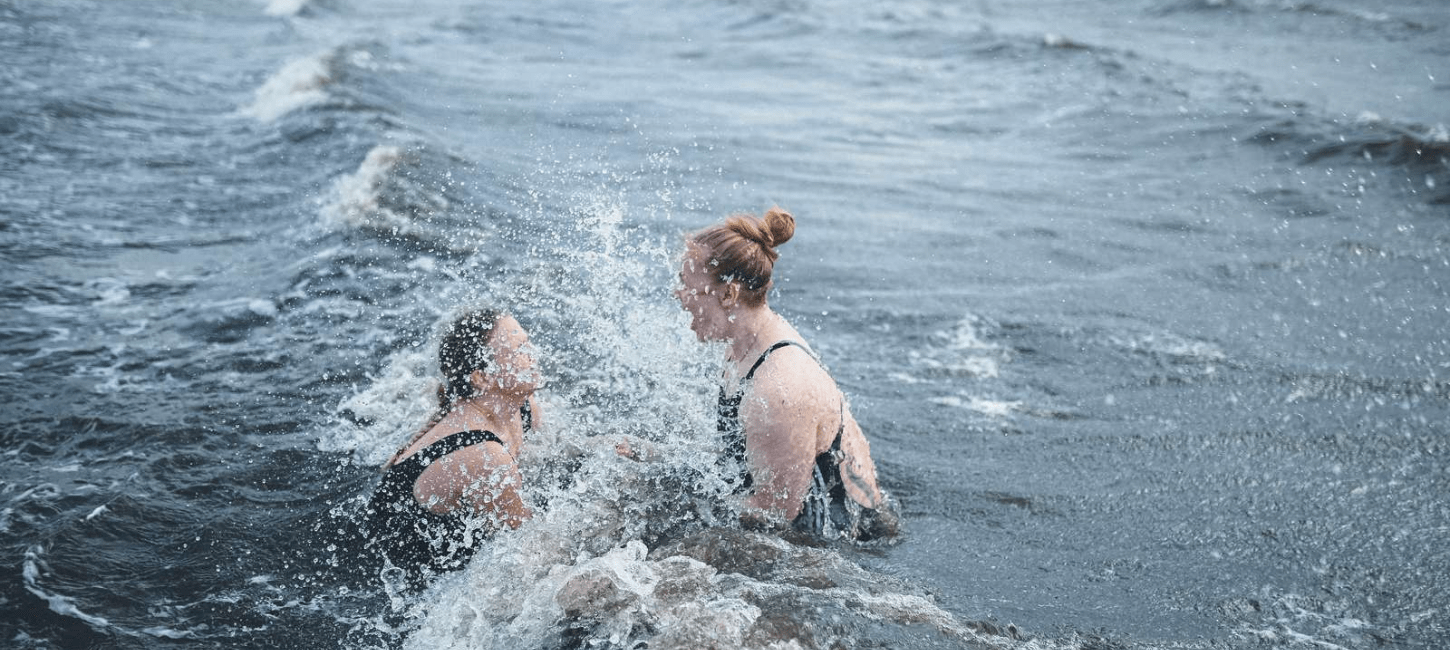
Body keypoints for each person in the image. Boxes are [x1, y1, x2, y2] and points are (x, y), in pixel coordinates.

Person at [672, 206, 899, 542]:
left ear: (729, 294)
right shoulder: (743, 347)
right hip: (798, 518)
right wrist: (657, 460)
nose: (678, 296)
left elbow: (777, 513)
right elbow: (745, 457)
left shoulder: (778, 387)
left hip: (847, 542)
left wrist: (680, 496)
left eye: (686, 285)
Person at [363, 309, 543, 587]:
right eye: (519, 350)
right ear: (482, 378)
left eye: (527, 343)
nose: (534, 353)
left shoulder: (522, 407)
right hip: (392, 575)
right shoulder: (485, 456)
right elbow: (531, 550)